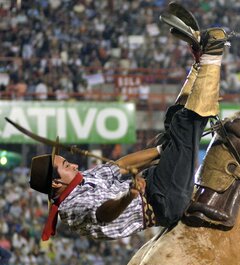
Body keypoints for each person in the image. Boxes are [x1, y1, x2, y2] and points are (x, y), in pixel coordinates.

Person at [29, 26, 229, 241]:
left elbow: (121, 165)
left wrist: (164, 148)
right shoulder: (71, 208)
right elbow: (103, 214)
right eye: (66, 166)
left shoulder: (83, 180)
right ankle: (211, 56)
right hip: (164, 201)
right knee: (183, 123)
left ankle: (199, 67)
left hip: (153, 185)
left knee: (173, 121)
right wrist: (129, 195)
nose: (75, 165)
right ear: (55, 184)